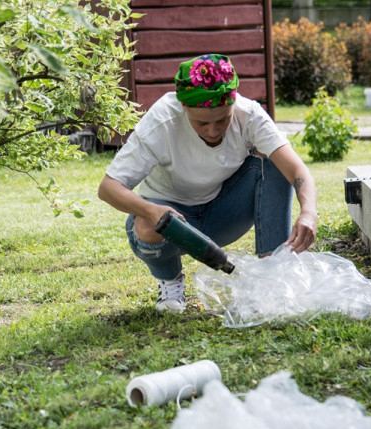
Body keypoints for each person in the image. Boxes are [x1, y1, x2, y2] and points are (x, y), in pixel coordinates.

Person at [97, 53, 317, 313]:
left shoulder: (250, 115)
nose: (213, 131)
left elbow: (296, 168)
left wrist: (309, 212)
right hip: (172, 225)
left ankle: (271, 275)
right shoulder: (161, 122)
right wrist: (151, 210)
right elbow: (108, 188)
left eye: (223, 119)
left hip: (224, 212)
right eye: (201, 122)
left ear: (233, 103)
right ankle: (170, 281)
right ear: (184, 107)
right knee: (145, 223)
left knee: (273, 163)